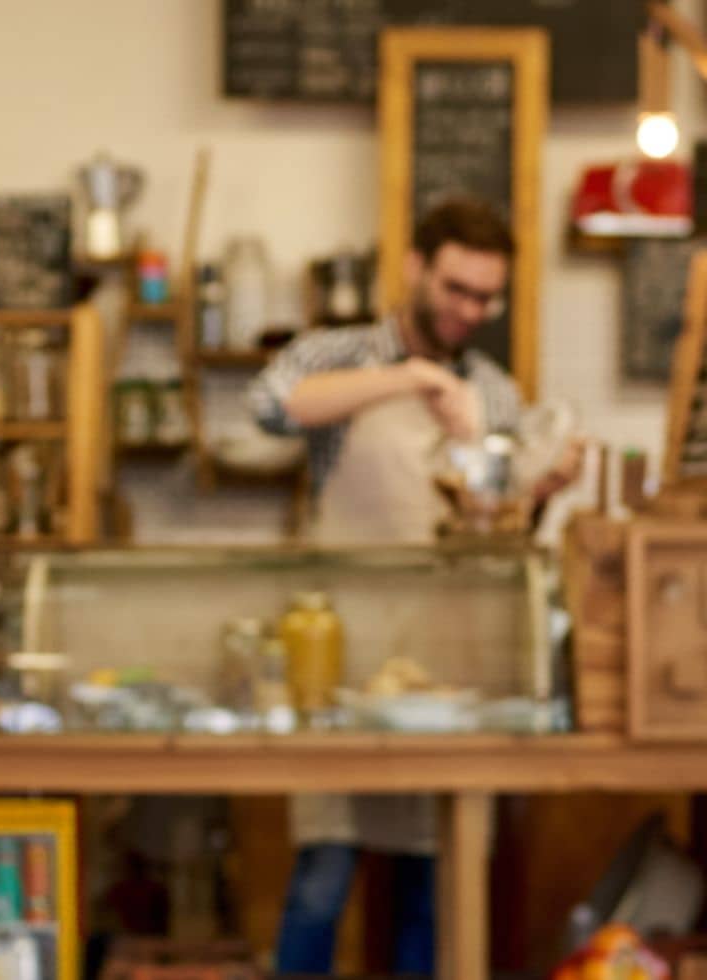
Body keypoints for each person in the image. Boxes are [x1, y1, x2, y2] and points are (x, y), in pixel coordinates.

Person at [248, 198, 583, 974]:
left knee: (434, 888)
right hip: (338, 658)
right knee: (322, 881)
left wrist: (537, 489)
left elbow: (490, 523)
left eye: (485, 297)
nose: (471, 310)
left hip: (442, 670)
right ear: (413, 269)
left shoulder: (495, 392)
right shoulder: (339, 353)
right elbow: (269, 405)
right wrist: (408, 377)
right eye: (457, 289)